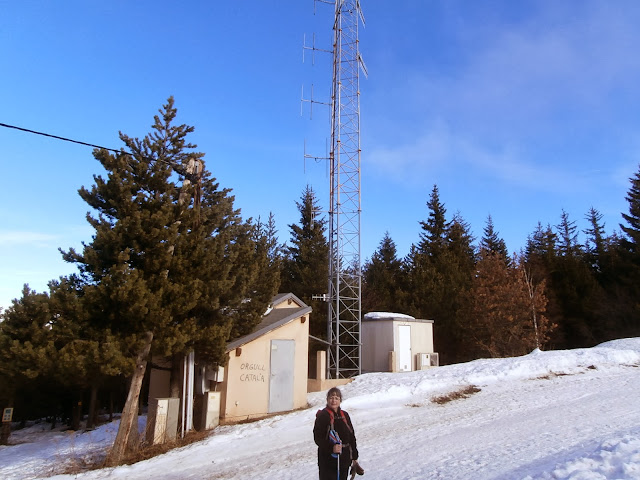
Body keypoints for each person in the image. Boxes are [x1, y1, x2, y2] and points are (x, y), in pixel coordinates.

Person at [313, 387, 365, 479]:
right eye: (331, 398)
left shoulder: (344, 415)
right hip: (327, 461)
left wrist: (354, 457)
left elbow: (351, 436)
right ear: (327, 399)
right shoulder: (322, 416)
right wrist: (331, 448)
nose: (333, 401)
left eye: (336, 398)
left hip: (344, 459)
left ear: (340, 400)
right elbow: (318, 438)